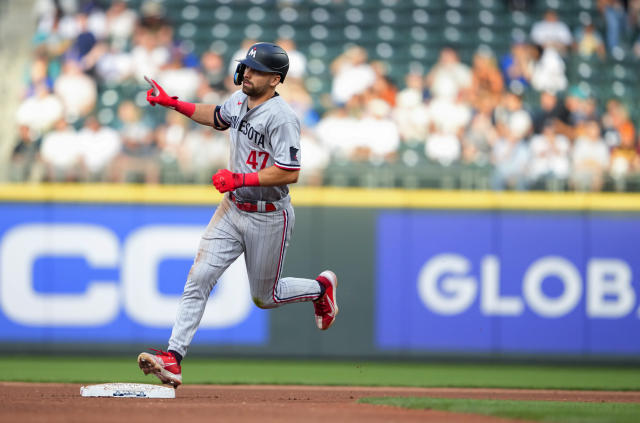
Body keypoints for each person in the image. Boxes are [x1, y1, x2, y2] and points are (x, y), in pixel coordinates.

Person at [136, 42, 339, 387]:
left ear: (275, 79)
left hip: (269, 214)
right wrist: (174, 104)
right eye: (246, 66)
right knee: (199, 278)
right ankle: (173, 357)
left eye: (256, 69)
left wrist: (239, 177)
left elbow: (290, 171)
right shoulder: (240, 100)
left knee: (265, 297)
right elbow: (216, 116)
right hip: (232, 208)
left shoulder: (282, 117)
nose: (247, 72)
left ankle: (320, 290)